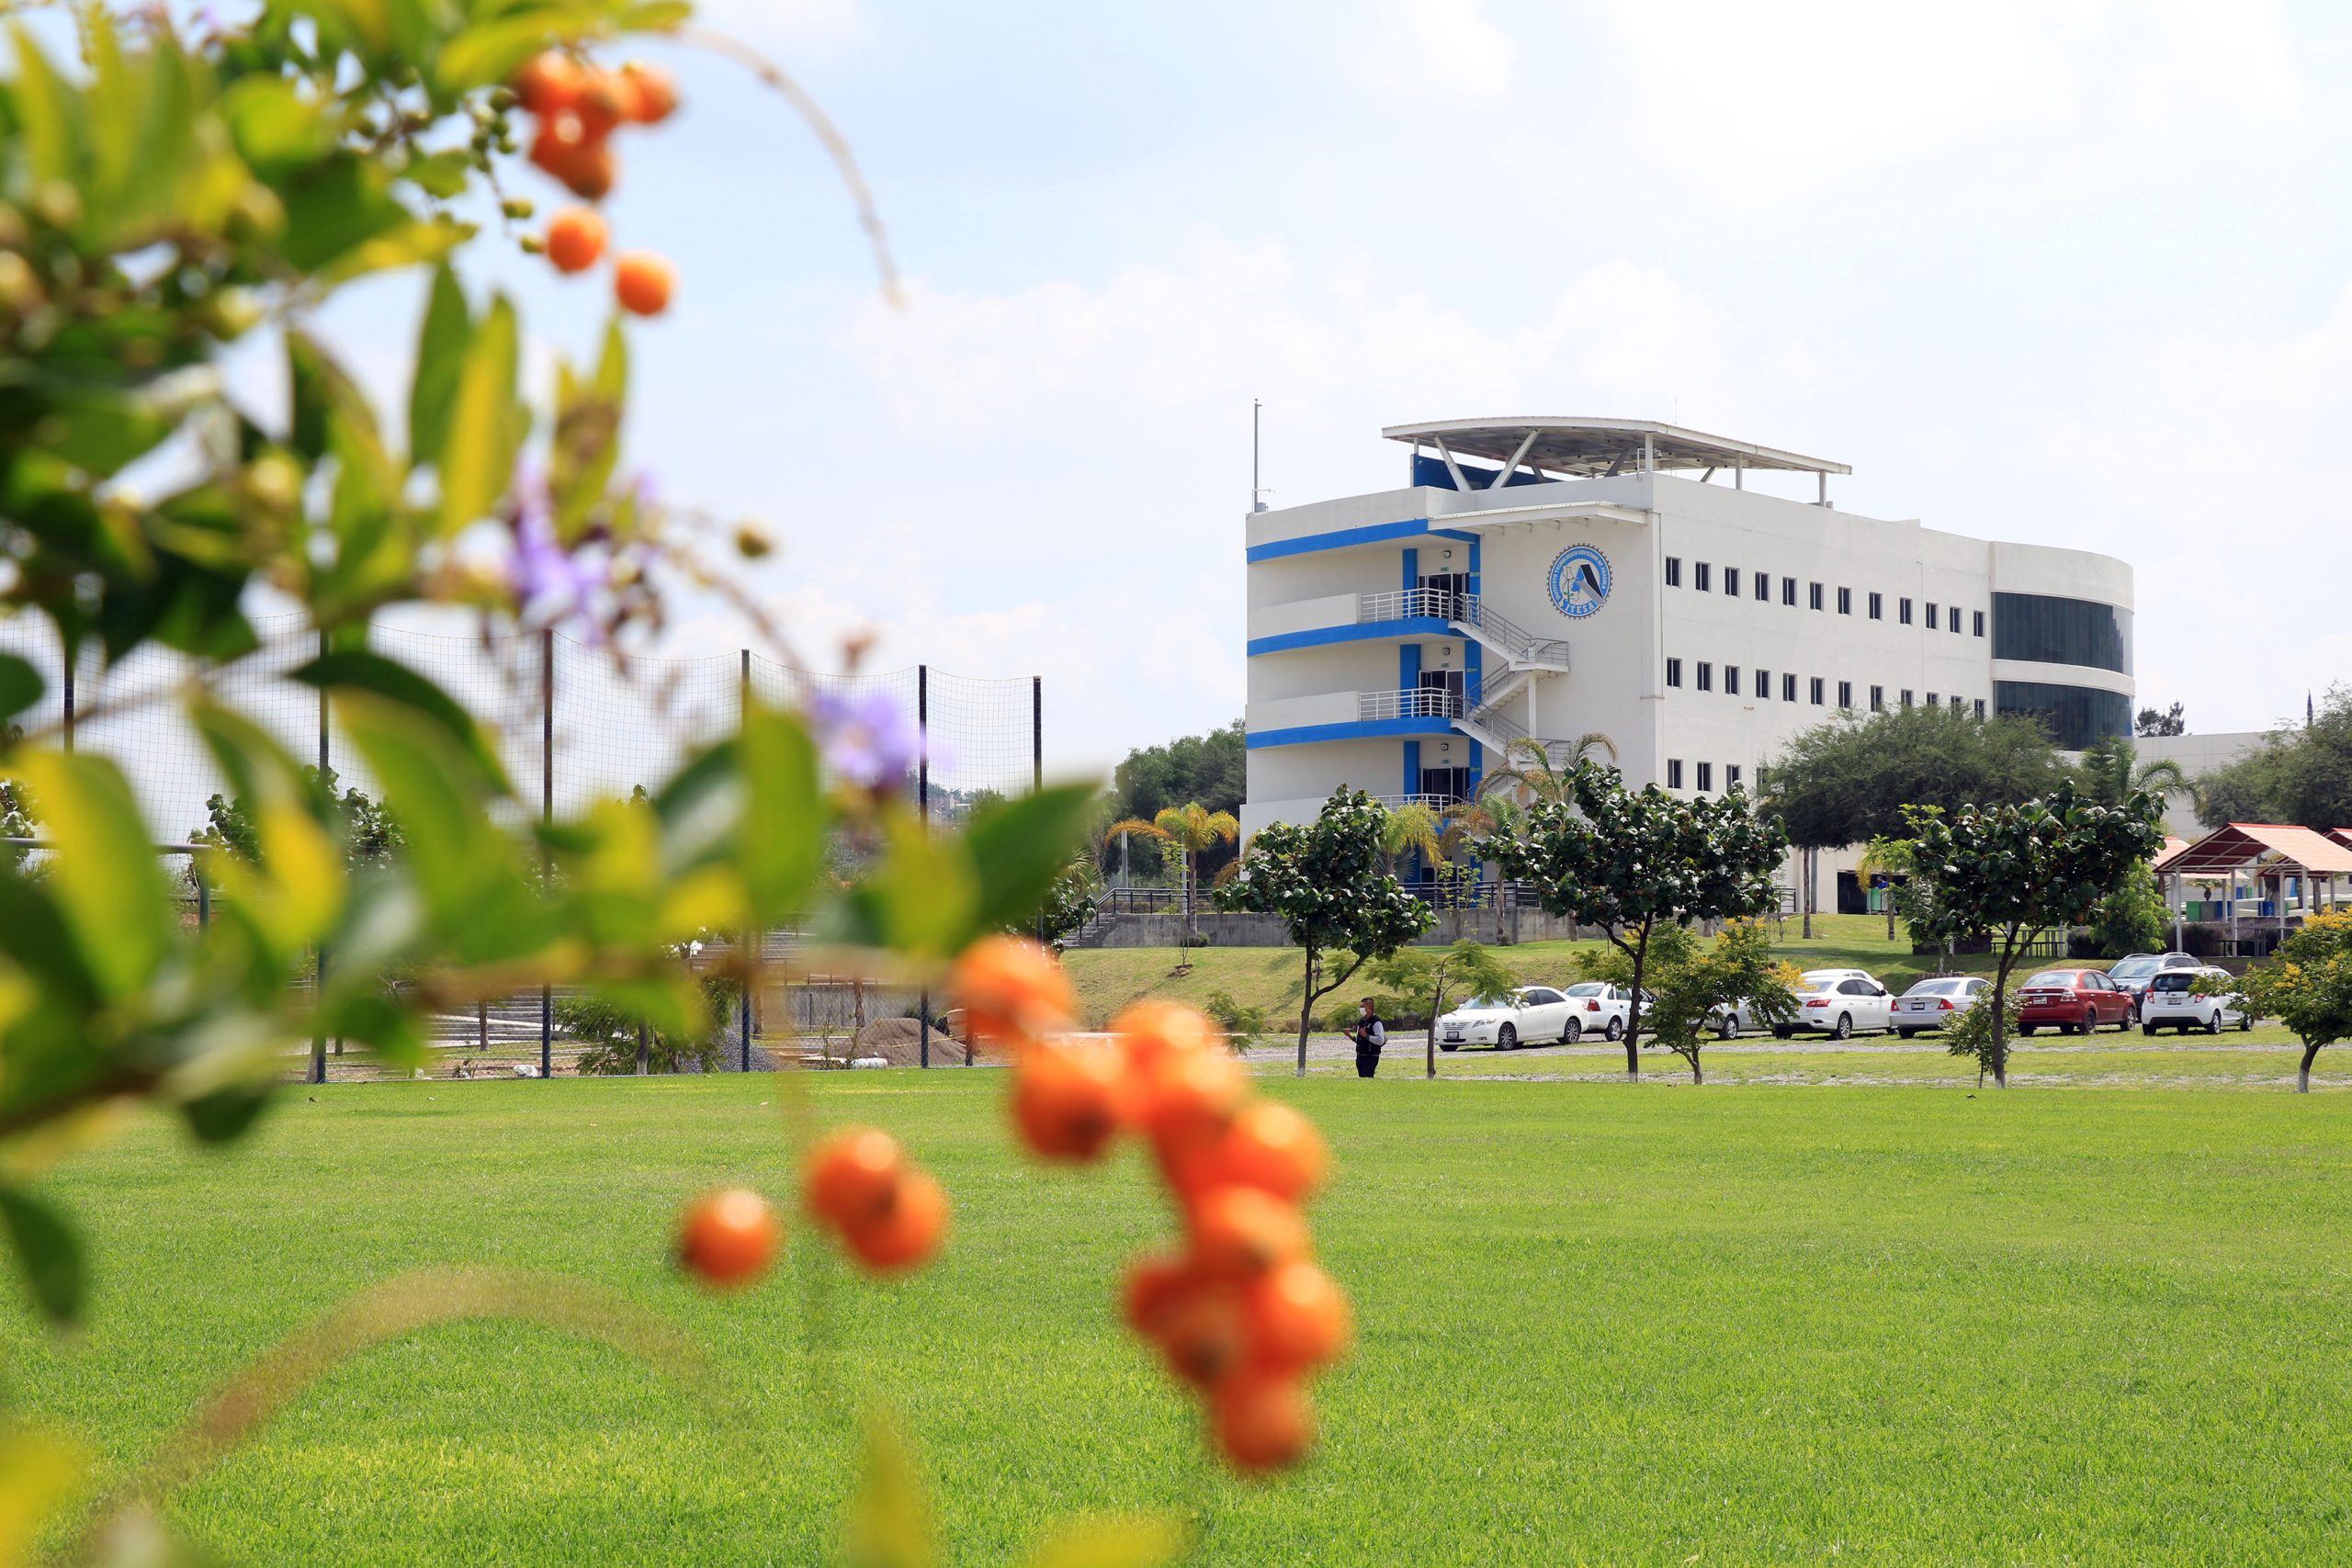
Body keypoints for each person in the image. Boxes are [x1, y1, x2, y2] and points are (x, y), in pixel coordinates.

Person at [1350, 998, 1386, 1078]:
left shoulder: (1376, 1022)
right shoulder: (1362, 1022)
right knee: (1362, 1078)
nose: (1361, 1009)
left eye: (1363, 1007)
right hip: (1360, 1055)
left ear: (1369, 1007)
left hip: (1371, 1056)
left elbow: (1380, 1040)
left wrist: (1366, 1035)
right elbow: (1359, 1040)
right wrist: (1350, 1036)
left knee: (1369, 1077)